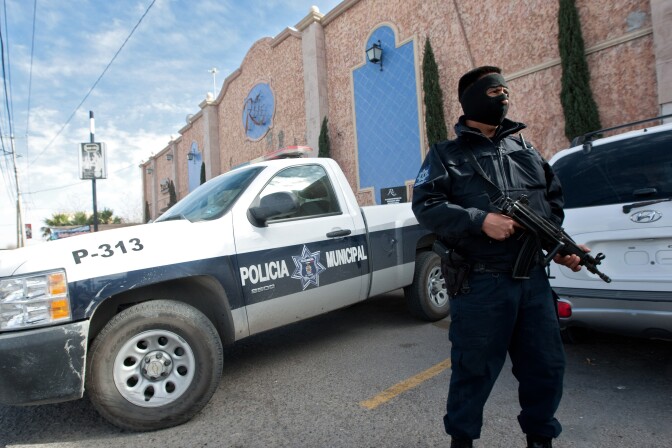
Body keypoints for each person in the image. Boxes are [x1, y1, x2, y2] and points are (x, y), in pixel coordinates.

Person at [412, 66, 586, 448]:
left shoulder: (527, 151)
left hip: (533, 284)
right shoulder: (446, 154)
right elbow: (426, 206)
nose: (504, 97)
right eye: (494, 92)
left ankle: (540, 440)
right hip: (481, 284)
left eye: (506, 91)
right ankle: (462, 441)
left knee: (546, 369)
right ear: (471, 99)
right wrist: (479, 220)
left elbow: (551, 207)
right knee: (473, 373)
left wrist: (562, 247)